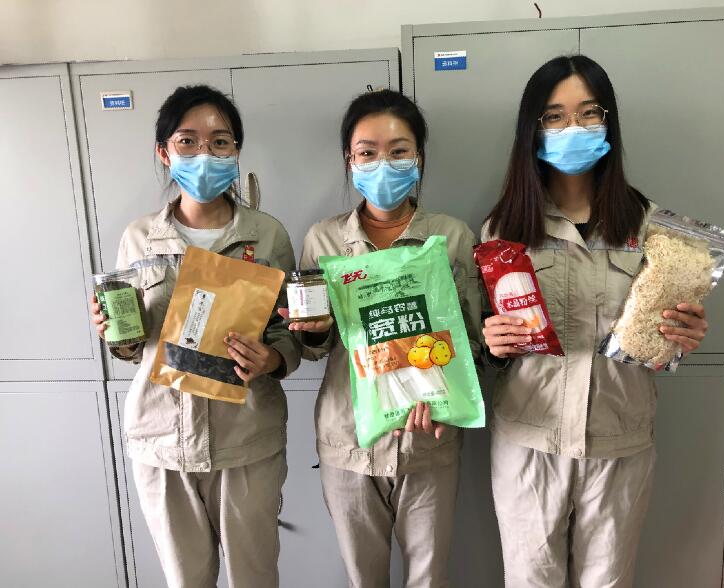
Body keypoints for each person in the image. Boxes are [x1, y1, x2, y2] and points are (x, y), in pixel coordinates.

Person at [481, 56, 709, 587]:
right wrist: (494, 341)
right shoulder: (505, 226)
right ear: (533, 129)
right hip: (530, 440)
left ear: (608, 122)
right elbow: (484, 343)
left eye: (588, 113)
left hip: (619, 440)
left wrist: (683, 335)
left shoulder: (649, 225)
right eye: (555, 116)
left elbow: (661, 338)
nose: (573, 128)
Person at [89, 84, 300, 588]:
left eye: (220, 142)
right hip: (162, 441)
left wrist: (273, 358)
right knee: (186, 580)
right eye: (187, 141)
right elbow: (133, 343)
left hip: (246, 441)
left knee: (255, 577)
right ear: (164, 152)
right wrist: (113, 332)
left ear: (236, 152)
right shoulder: (140, 237)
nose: (205, 154)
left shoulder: (268, 235)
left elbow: (289, 329)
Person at [281, 89, 481, 587]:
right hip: (349, 440)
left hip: (429, 440)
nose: (382, 164)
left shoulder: (452, 237)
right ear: (350, 161)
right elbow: (312, 347)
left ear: (419, 157)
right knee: (363, 578)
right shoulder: (324, 239)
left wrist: (446, 395)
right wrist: (314, 332)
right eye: (367, 152)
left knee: (429, 578)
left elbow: (472, 341)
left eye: (398, 151)